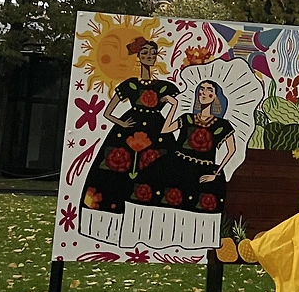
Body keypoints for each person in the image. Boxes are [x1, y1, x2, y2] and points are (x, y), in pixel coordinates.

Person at [79, 38, 180, 245]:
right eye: (145, 53)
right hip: (128, 132)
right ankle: (110, 226)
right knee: (116, 171)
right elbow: (108, 112)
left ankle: (152, 229)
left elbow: (174, 109)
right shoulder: (130, 85)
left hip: (157, 133)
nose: (149, 57)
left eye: (152, 54)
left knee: (158, 173)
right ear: (138, 56)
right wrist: (121, 123)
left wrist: (173, 106)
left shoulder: (165, 87)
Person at [122, 78, 236, 251]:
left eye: (209, 90)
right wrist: (174, 106)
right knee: (145, 182)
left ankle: (194, 241)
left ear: (215, 97)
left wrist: (216, 173)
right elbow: (165, 129)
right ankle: (149, 235)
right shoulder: (187, 118)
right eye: (201, 89)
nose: (204, 93)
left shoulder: (223, 125)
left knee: (205, 195)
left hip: (203, 167)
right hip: (177, 162)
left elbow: (231, 150)